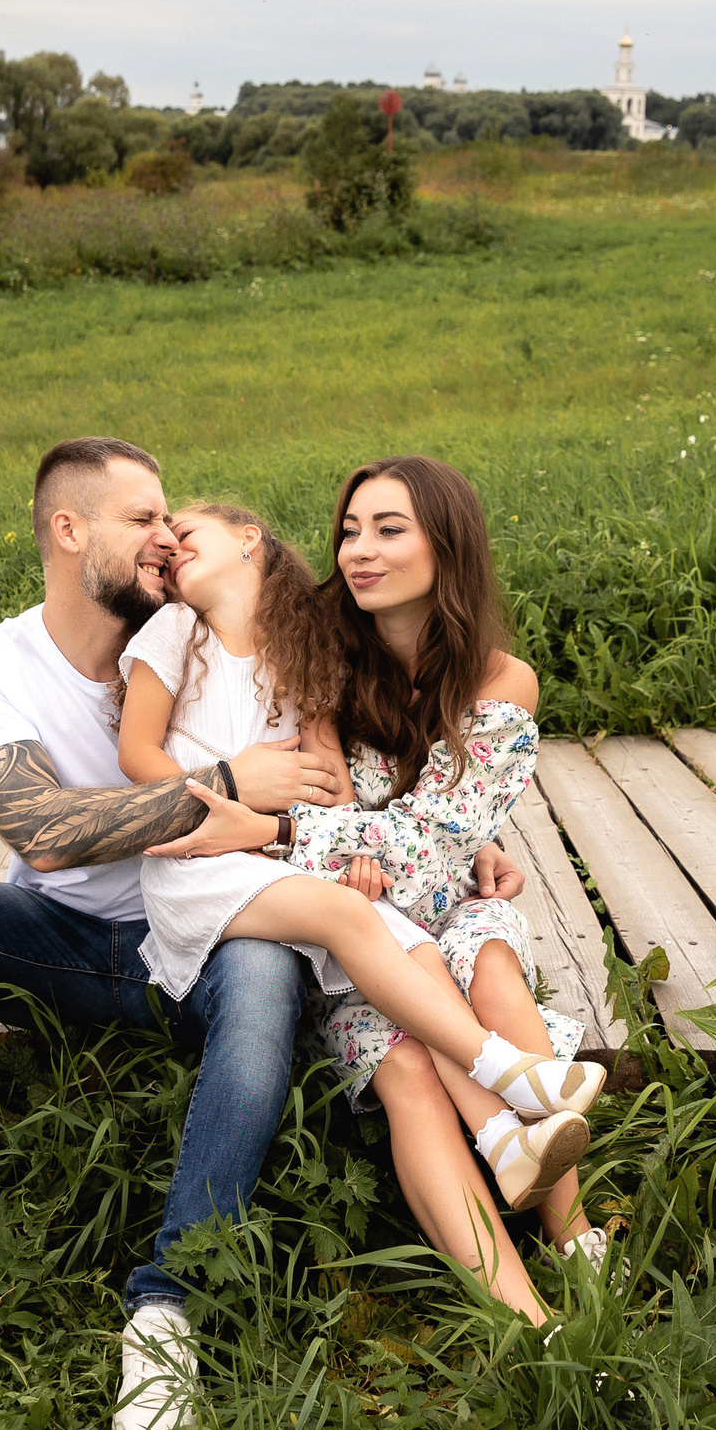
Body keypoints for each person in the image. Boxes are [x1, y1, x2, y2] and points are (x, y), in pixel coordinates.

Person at [0, 436, 530, 1430]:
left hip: (221, 928)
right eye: (143, 518)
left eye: (172, 519)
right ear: (69, 531)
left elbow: (358, 737)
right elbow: (41, 830)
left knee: (264, 980)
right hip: (65, 940)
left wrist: (460, 844)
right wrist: (227, 785)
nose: (165, 536)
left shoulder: (219, 628)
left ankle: (169, 1311)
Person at [144, 457, 611, 1325]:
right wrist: (340, 840)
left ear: (447, 545)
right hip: (348, 933)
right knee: (405, 1066)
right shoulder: (314, 644)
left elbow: (432, 848)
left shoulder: (501, 681)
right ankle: (524, 1315)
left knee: (491, 964)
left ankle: (574, 1234)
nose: (359, 549)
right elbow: (315, 787)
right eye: (350, 530)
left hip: (438, 901)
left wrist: (294, 833)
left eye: (389, 530)